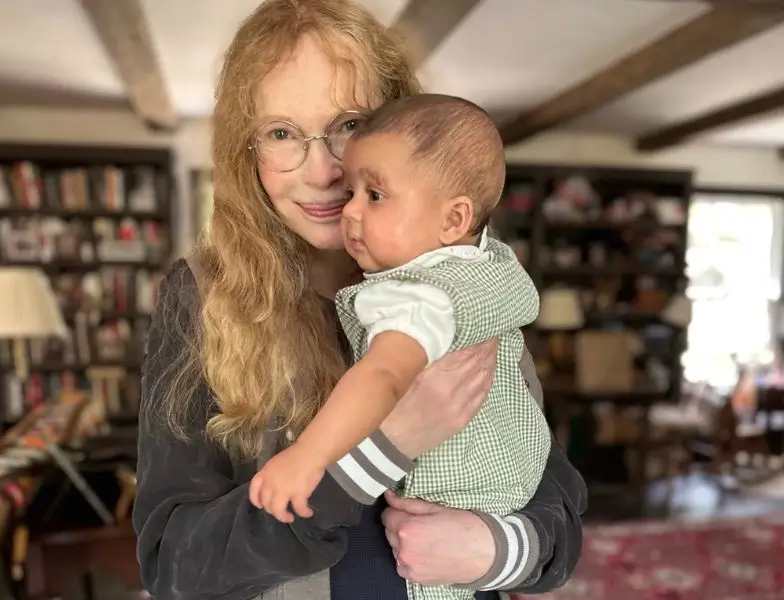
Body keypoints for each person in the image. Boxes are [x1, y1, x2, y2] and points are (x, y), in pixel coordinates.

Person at [132, 1, 587, 599]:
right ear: (247, 152)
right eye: (281, 134)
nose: (324, 172)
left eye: (349, 125)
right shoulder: (200, 296)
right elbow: (171, 565)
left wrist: (493, 549)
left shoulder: (469, 278)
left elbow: (558, 519)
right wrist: (378, 451)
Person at [249, 98, 553, 600]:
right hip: (515, 476)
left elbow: (383, 377)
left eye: (375, 195)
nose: (349, 210)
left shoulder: (418, 297)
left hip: (453, 489)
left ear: (453, 219)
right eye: (352, 192)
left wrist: (307, 456)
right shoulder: (489, 262)